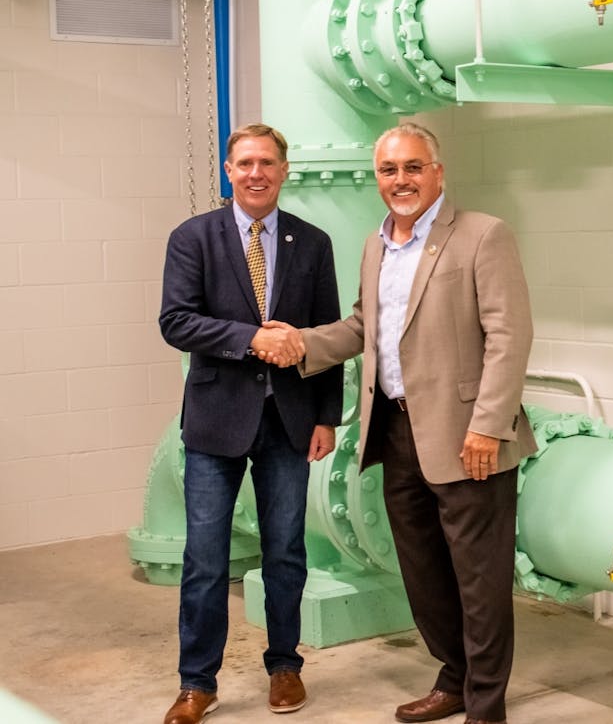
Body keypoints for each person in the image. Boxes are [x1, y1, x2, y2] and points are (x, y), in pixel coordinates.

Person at [281, 121, 535, 724]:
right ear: (378, 180)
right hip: (395, 431)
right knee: (422, 572)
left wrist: (488, 425)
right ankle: (454, 677)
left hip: (467, 434)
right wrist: (301, 345)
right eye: (390, 170)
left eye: (413, 167)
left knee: (479, 579)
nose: (402, 180)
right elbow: (364, 326)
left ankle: (486, 705)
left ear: (438, 173)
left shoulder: (481, 235)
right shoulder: (377, 244)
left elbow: (509, 334)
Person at [157, 124, 342, 724]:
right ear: (228, 173)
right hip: (216, 421)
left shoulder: (311, 243)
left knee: (286, 550)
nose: (256, 172)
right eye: (245, 163)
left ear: (284, 170)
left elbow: (328, 335)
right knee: (206, 558)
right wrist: (251, 338)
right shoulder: (193, 239)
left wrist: (327, 417)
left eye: (267, 162)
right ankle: (197, 682)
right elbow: (176, 322)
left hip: (290, 421)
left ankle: (285, 667)